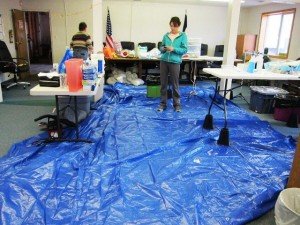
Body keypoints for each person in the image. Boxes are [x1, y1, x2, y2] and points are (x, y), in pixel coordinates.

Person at [158, 16, 187, 112]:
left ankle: (177, 105)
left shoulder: (183, 36)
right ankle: (163, 104)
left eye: (174, 26)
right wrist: (163, 48)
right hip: (164, 61)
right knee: (163, 83)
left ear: (178, 25)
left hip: (175, 62)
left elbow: (184, 49)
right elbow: (161, 47)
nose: (172, 28)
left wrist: (173, 49)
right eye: (171, 26)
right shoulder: (166, 35)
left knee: (175, 84)